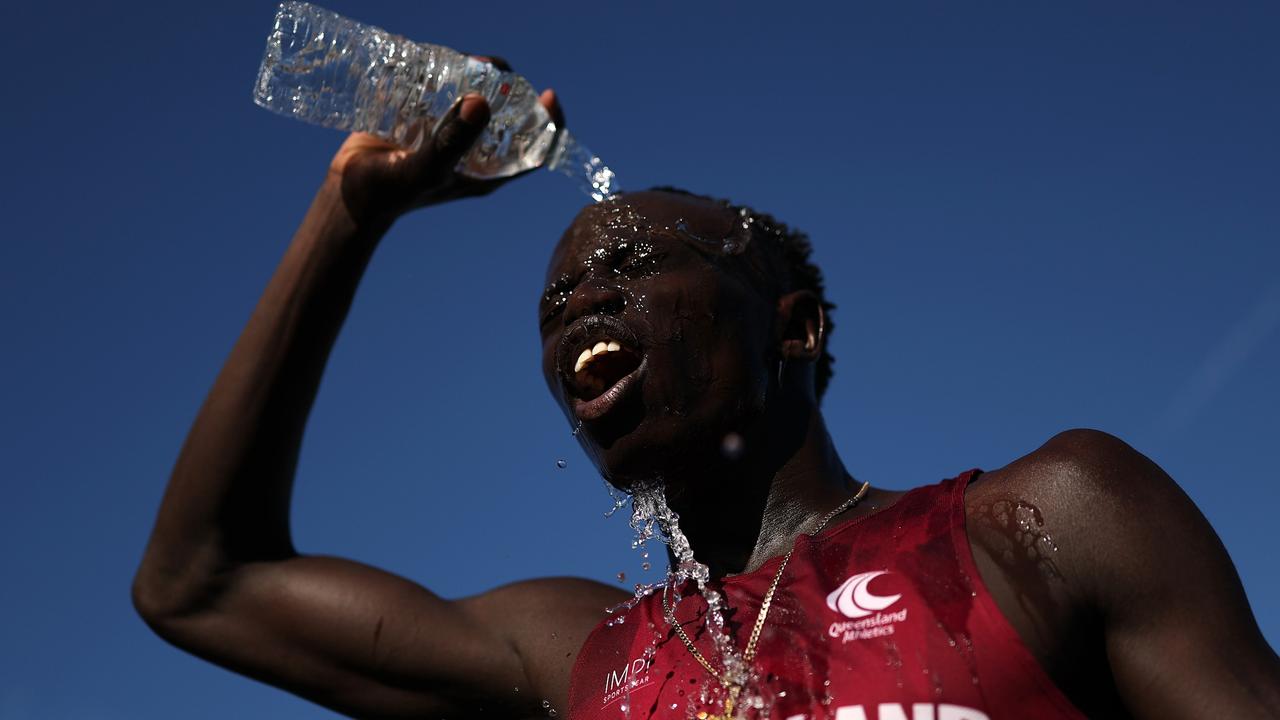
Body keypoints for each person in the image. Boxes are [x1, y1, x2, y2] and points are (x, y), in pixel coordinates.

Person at [133, 68, 1280, 719]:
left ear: (791, 326)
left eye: (632, 270)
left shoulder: (1041, 525)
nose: (579, 305)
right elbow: (201, 584)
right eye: (554, 305)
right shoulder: (580, 649)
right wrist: (347, 219)